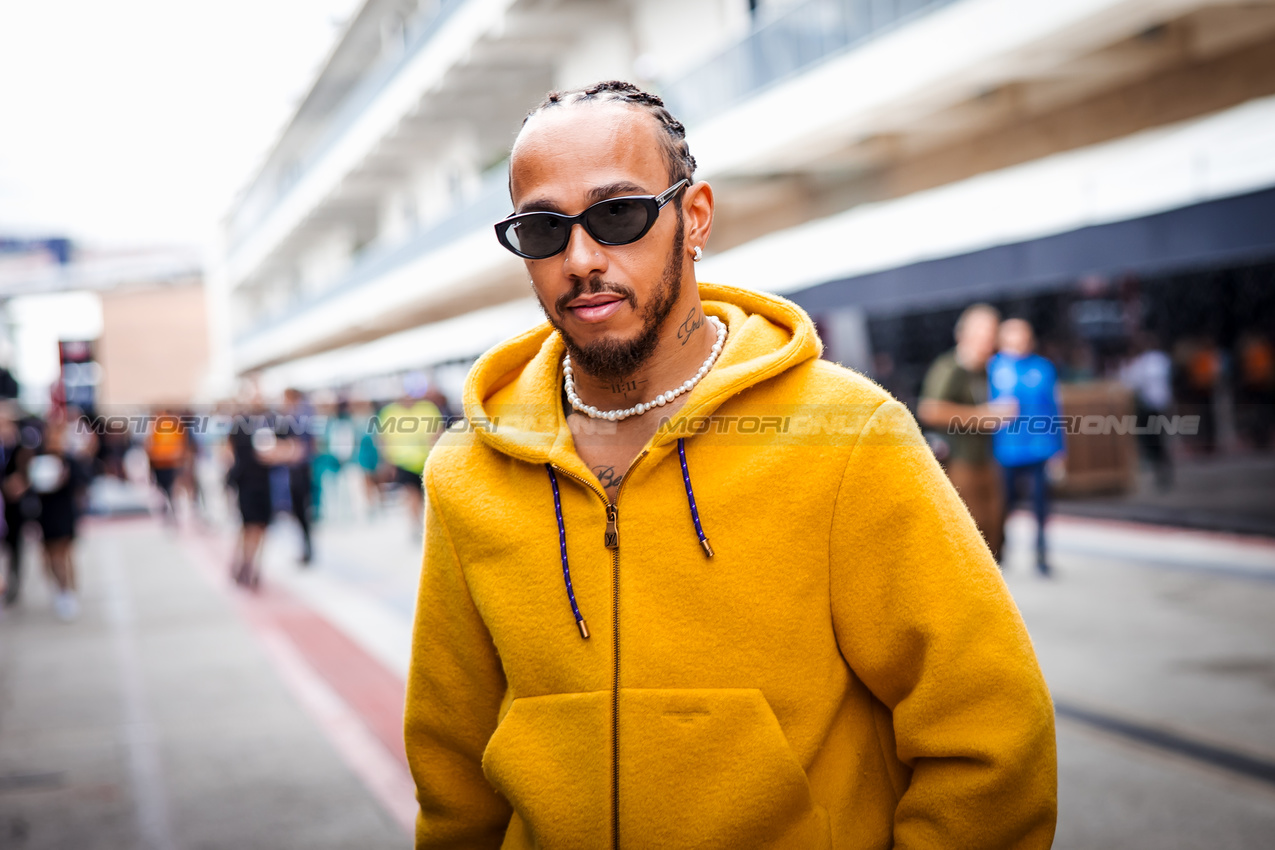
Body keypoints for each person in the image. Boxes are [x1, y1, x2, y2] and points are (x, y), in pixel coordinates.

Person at [404, 81, 1056, 849]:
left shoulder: (847, 434)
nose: (580, 259)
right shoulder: (465, 472)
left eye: (618, 214)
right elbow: (451, 780)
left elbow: (991, 738)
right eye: (543, 229)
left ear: (695, 217)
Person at [918, 303, 1014, 560]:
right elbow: (930, 409)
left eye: (991, 334)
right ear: (963, 334)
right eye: (981, 334)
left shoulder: (991, 369)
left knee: (995, 528)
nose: (987, 340)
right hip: (961, 461)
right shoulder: (950, 368)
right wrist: (983, 417)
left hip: (989, 459)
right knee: (971, 533)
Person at [989, 319, 1063, 575]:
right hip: (1006, 450)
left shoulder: (1043, 368)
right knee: (1004, 505)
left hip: (1039, 447)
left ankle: (1041, 555)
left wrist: (1058, 449)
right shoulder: (993, 368)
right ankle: (999, 552)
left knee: (1041, 506)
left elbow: (1053, 410)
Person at [31, 418, 89, 621]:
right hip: (46, 514)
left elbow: (81, 483)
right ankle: (60, 590)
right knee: (49, 555)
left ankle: (68, 591)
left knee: (64, 553)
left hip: (65, 513)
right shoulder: (37, 458)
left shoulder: (69, 461)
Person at [376, 375, 442, 527]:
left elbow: (437, 434)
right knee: (411, 494)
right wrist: (388, 462)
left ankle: (428, 523)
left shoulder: (427, 408)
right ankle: (417, 523)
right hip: (403, 462)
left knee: (428, 496)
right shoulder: (389, 412)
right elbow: (384, 439)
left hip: (427, 460)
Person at [1119, 332, 1174, 489]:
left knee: (1154, 441)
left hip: (1151, 407)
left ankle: (1162, 469)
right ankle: (1163, 468)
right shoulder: (1161, 359)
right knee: (1159, 440)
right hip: (1160, 404)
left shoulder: (1144, 363)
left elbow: (1130, 383)